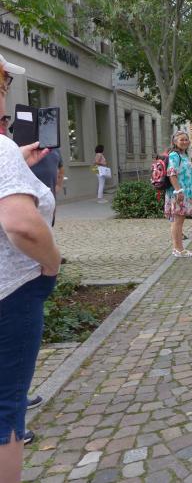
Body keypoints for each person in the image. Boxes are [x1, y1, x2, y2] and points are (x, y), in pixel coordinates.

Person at [0, 56, 62, 483]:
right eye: (4, 83)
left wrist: (16, 161)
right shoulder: (1, 148)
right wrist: (52, 263)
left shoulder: (7, 152)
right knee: (6, 410)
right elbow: (21, 224)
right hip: (10, 294)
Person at [165, 131, 192, 257]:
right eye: (181, 140)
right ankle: (178, 249)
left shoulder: (184, 155)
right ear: (175, 142)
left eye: (186, 139)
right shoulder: (174, 155)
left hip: (185, 192)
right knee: (177, 221)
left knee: (178, 221)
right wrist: (178, 191)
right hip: (179, 193)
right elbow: (171, 173)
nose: (185, 142)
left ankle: (178, 248)